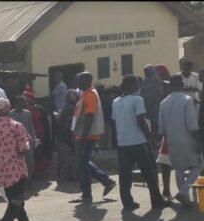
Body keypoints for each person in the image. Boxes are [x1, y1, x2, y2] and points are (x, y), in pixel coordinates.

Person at [0, 99, 44, 221]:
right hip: (16, 170)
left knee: (16, 202)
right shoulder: (17, 127)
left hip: (1, 170)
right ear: (9, 109)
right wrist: (27, 141)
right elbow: (22, 150)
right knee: (15, 203)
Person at [112, 75, 171, 211]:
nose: (139, 86)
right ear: (131, 85)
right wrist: (151, 138)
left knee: (125, 174)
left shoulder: (115, 102)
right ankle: (157, 200)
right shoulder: (138, 100)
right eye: (137, 84)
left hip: (123, 143)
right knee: (149, 172)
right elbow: (141, 121)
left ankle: (127, 203)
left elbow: (116, 121)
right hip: (138, 142)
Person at [71, 72, 117, 204]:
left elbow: (89, 116)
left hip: (87, 136)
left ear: (86, 80)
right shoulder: (86, 93)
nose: (77, 83)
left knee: (82, 165)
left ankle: (87, 195)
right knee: (83, 162)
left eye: (79, 80)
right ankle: (107, 181)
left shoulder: (90, 95)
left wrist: (84, 138)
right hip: (83, 134)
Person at [159, 75, 204, 208]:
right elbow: (192, 124)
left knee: (179, 169)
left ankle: (185, 197)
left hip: (171, 140)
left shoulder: (164, 102)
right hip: (187, 139)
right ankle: (184, 192)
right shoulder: (187, 99)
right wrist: (198, 141)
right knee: (198, 166)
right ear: (182, 85)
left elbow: (162, 128)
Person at [54, 90, 81, 183]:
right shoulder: (75, 108)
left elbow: (67, 124)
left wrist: (58, 118)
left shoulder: (69, 109)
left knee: (67, 158)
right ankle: (74, 176)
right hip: (70, 137)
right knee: (71, 157)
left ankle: (67, 176)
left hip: (67, 137)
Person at [10, 96, 37, 185]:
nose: (26, 104)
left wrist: (34, 138)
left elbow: (31, 126)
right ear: (17, 103)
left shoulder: (27, 113)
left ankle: (29, 181)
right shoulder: (11, 114)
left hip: (27, 139)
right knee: (17, 161)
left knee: (30, 161)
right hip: (15, 141)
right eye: (23, 102)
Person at [141, 64, 165, 139]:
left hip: (155, 104)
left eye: (146, 71)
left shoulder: (156, 80)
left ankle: (157, 137)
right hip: (146, 104)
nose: (145, 73)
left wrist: (154, 102)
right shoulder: (145, 80)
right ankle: (151, 138)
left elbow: (159, 93)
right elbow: (142, 91)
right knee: (149, 122)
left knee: (155, 121)